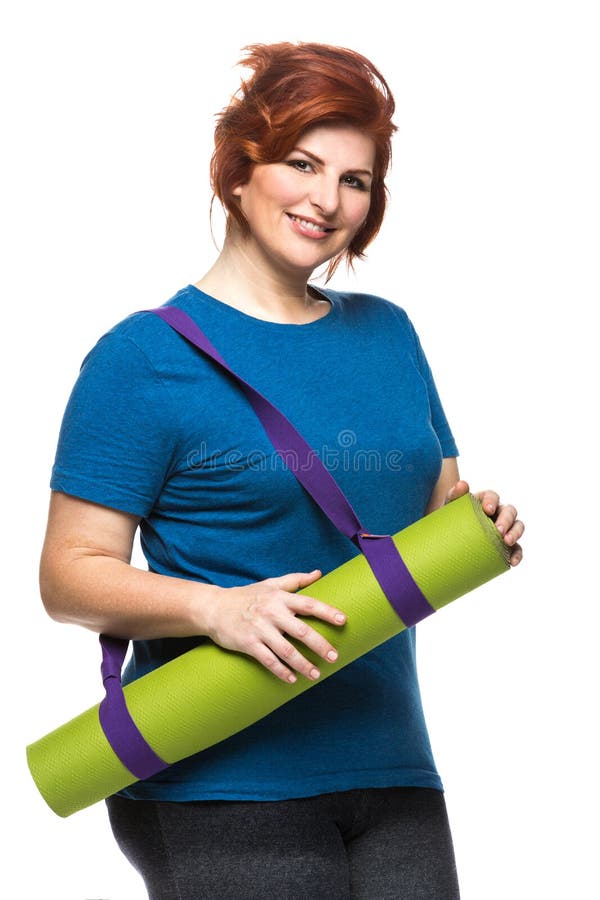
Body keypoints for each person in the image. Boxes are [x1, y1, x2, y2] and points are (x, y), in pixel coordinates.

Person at [40, 42, 524, 900]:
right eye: (302, 163)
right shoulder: (142, 359)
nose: (326, 199)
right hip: (222, 776)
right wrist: (215, 609)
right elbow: (68, 578)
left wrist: (472, 525)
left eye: (355, 179)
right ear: (238, 171)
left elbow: (418, 516)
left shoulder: (389, 333)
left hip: (393, 766)